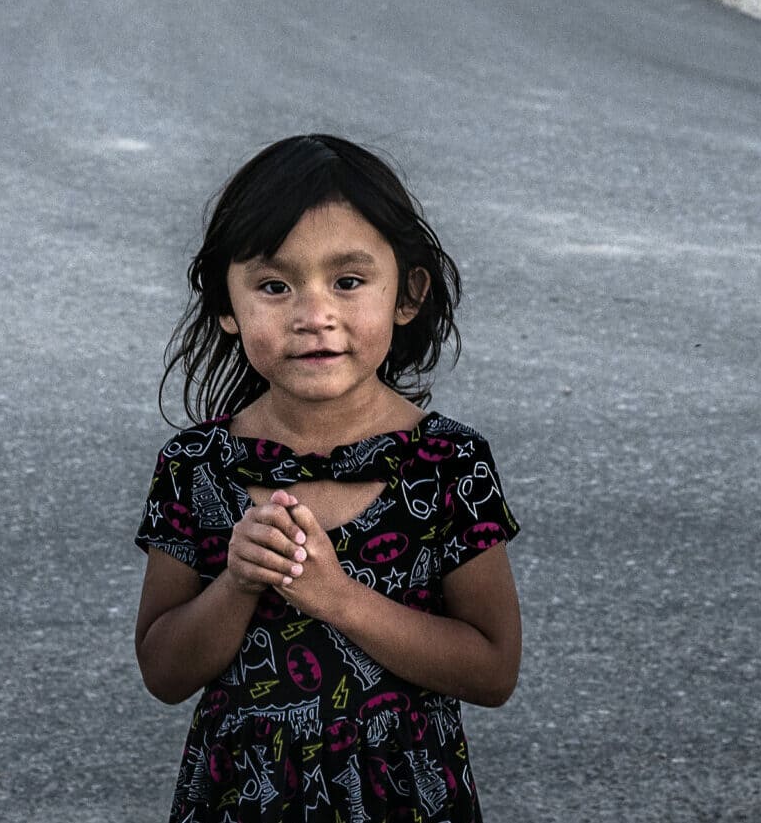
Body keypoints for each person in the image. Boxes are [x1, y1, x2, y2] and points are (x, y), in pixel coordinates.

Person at [133, 135, 523, 822]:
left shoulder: (449, 464)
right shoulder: (197, 467)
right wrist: (237, 581)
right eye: (275, 286)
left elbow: (492, 668)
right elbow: (164, 671)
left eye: (348, 281)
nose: (315, 316)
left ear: (408, 292)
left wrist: (338, 597)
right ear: (226, 303)